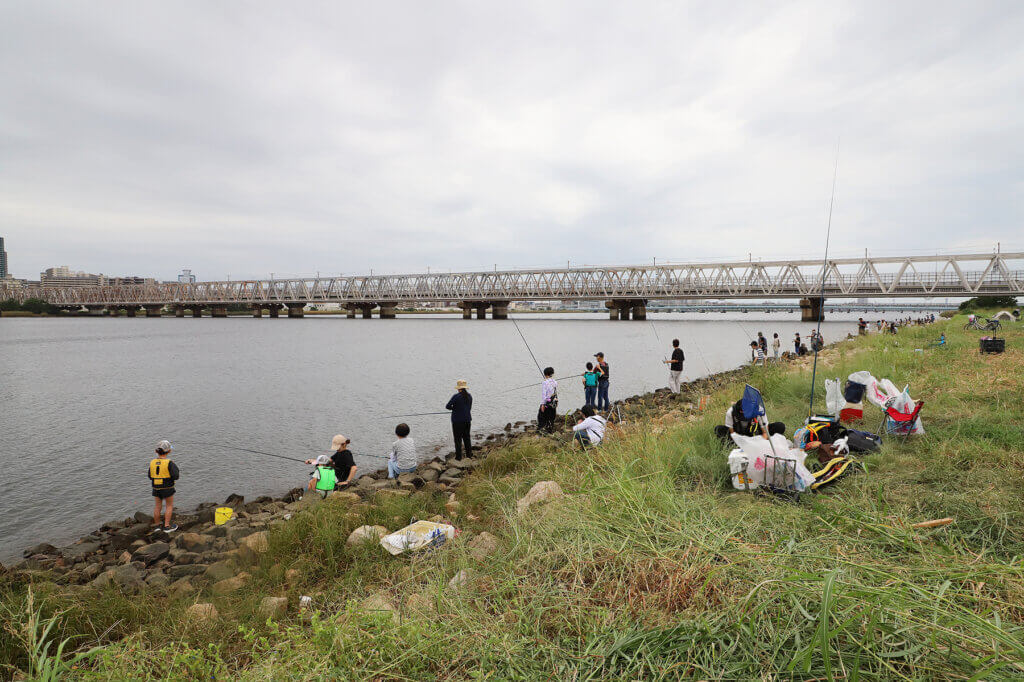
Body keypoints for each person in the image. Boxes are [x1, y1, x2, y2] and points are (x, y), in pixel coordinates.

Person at [713, 399, 786, 443]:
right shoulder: (730, 412)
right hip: (739, 434)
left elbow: (765, 432)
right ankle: (733, 448)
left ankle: (767, 443)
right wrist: (740, 442)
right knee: (719, 429)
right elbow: (732, 433)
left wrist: (759, 444)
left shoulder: (759, 411)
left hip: (756, 434)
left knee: (780, 426)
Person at [148, 439, 179, 532]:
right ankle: (166, 526)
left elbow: (150, 476)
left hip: (156, 488)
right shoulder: (170, 463)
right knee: (169, 506)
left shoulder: (152, 462)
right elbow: (176, 476)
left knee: (157, 506)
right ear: (169, 451)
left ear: (156, 451)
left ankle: (157, 526)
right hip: (167, 488)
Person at [445, 379, 473, 460]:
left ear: (459, 388)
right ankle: (469, 455)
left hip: (457, 421)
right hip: (467, 420)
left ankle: (458, 457)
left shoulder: (456, 396)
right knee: (467, 438)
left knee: (458, 440)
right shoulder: (470, 396)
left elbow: (447, 406)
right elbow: (469, 408)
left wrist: (454, 408)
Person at [538, 367, 558, 432]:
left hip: (547, 402)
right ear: (552, 374)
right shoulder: (555, 382)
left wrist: (542, 404)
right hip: (553, 401)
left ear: (545, 374)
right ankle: (550, 428)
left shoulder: (545, 383)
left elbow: (544, 395)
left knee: (541, 415)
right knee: (551, 416)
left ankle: (541, 428)